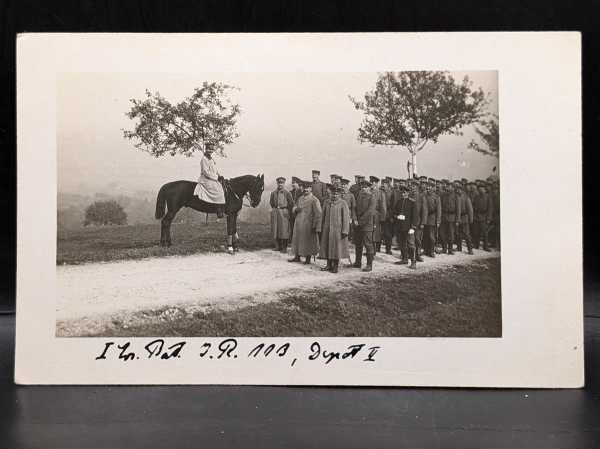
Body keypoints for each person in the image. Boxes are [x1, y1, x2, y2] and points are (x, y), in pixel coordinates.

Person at [289, 181, 323, 264]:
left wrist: (316, 225)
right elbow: (294, 207)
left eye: (308, 188)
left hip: (308, 223)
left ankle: (308, 259)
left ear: (311, 189)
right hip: (299, 222)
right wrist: (296, 209)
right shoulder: (300, 198)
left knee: (308, 240)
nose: (306, 190)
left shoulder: (314, 200)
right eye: (304, 188)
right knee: (297, 239)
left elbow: (318, 213)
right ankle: (297, 256)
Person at [319, 187, 351, 273]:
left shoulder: (343, 203)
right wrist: (320, 227)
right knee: (327, 247)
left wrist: (345, 230)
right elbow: (323, 215)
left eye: (336, 194)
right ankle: (328, 265)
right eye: (333, 194)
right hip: (327, 228)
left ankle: (335, 266)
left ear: (339, 194)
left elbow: (346, 218)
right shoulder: (326, 202)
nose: (334, 195)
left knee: (336, 248)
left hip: (337, 229)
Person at [194, 144, 226, 218]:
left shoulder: (211, 159)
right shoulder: (204, 159)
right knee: (217, 189)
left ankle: (221, 206)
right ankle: (218, 208)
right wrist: (216, 177)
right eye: (209, 149)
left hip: (212, 178)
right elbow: (205, 172)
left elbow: (215, 170)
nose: (210, 151)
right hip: (206, 178)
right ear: (206, 149)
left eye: (211, 150)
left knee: (222, 186)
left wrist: (220, 176)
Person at [353, 180, 377, 272]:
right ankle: (358, 262)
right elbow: (354, 209)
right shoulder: (358, 196)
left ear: (369, 188)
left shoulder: (372, 197)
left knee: (368, 244)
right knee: (358, 244)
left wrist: (360, 221)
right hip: (358, 224)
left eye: (365, 187)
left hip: (367, 224)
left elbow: (370, 212)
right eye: (362, 187)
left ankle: (369, 265)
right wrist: (355, 219)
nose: (363, 189)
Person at [392, 185, 417, 269]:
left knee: (411, 244)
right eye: (402, 192)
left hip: (409, 227)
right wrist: (397, 216)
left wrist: (413, 227)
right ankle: (404, 259)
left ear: (408, 193)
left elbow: (415, 216)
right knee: (402, 243)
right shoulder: (398, 202)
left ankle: (413, 261)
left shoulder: (412, 202)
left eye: (405, 192)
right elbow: (394, 213)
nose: (403, 194)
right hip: (400, 226)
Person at [270, 177, 294, 252]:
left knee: (284, 230)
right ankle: (278, 246)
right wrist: (275, 208)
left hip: (284, 212)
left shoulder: (287, 193)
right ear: (277, 183)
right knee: (276, 229)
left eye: (282, 183)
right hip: (276, 212)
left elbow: (291, 203)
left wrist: (286, 210)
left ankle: (284, 247)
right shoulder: (273, 193)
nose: (280, 184)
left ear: (284, 184)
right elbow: (271, 202)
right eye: (279, 183)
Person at [440, 179, 460, 255]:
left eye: (449, 186)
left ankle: (450, 249)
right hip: (444, 216)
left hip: (452, 217)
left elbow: (458, 209)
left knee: (451, 234)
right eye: (447, 186)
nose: (447, 187)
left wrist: (457, 220)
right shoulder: (443, 195)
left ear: (453, 188)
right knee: (442, 233)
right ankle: (444, 248)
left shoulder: (456, 196)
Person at [472, 181, 493, 251]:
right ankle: (476, 244)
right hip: (476, 216)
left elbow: (490, 209)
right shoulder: (476, 197)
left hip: (484, 217)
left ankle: (485, 246)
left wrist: (489, 218)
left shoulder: (488, 197)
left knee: (484, 233)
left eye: (482, 188)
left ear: (484, 189)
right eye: (479, 188)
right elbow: (473, 206)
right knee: (476, 232)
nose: (481, 189)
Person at [423, 178, 441, 257]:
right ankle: (426, 250)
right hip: (424, 218)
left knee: (431, 236)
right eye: (428, 187)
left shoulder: (436, 197)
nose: (428, 188)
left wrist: (438, 221)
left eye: (430, 187)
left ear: (433, 188)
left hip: (432, 219)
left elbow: (439, 210)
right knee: (425, 235)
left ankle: (431, 251)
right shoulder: (424, 196)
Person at [370, 176, 387, 253]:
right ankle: (371, 249)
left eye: (374, 182)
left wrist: (382, 218)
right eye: (371, 182)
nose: (372, 184)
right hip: (369, 215)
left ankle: (375, 249)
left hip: (377, 215)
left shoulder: (381, 193)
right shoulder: (369, 191)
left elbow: (383, 206)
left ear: (377, 183)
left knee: (376, 232)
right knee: (370, 232)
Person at [412, 178, 428, 262]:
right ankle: (409, 254)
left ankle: (418, 255)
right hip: (410, 222)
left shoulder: (421, 197)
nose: (413, 187)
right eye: (412, 186)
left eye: (414, 186)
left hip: (418, 222)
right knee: (409, 239)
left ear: (418, 187)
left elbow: (424, 211)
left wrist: (423, 223)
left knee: (417, 239)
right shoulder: (409, 195)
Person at [456, 181, 474, 254]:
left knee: (466, 234)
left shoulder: (466, 198)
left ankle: (470, 249)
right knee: (458, 233)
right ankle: (459, 247)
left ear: (462, 190)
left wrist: (471, 219)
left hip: (464, 218)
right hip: (458, 218)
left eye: (459, 189)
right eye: (457, 189)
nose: (458, 191)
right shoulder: (456, 197)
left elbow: (470, 210)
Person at [340, 178, 358, 252]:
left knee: (346, 231)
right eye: (342, 185)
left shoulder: (351, 195)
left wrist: (353, 218)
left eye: (345, 185)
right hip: (339, 215)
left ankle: (345, 247)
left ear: (348, 185)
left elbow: (353, 208)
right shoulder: (339, 194)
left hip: (348, 215)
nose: (343, 186)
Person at [381, 178, 395, 254]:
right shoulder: (381, 192)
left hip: (388, 216)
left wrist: (391, 216)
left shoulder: (392, 193)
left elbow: (393, 206)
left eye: (385, 184)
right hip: (381, 215)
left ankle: (388, 249)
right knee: (380, 232)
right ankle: (377, 248)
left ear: (388, 185)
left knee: (388, 234)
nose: (383, 185)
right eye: (382, 183)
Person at [289, 176, 302, 241]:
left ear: (298, 183)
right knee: (292, 226)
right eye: (292, 183)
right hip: (292, 212)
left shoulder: (302, 192)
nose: (293, 184)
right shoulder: (290, 192)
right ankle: (292, 240)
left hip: (299, 212)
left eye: (294, 183)